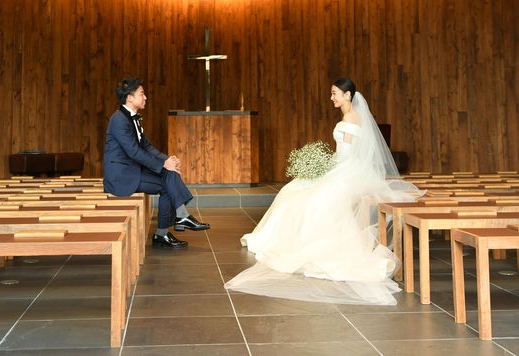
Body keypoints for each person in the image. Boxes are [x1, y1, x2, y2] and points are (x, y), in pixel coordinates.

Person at [224, 77, 423, 304]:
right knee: (293, 189)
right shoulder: (353, 116)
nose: (331, 97)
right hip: (346, 167)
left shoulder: (350, 118)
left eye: (334, 93)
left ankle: (297, 243)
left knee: (306, 196)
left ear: (347, 95)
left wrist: (325, 169)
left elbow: (347, 156)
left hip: (347, 171)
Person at [103, 76, 210, 249]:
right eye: (141, 94)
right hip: (122, 177)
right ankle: (173, 223)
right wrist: (163, 165)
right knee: (167, 181)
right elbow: (134, 152)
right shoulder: (119, 120)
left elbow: (146, 146)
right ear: (129, 98)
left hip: (133, 170)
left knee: (169, 175)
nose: (145, 97)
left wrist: (167, 160)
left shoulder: (132, 118)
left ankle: (174, 223)